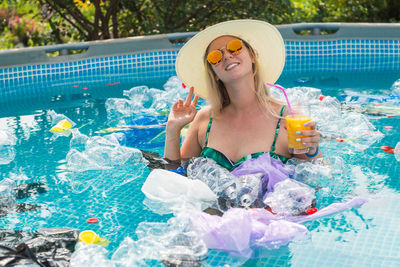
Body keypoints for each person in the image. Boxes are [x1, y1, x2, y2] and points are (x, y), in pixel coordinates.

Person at [164, 19, 321, 171]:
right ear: (215, 74)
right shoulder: (204, 119)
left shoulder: (287, 119)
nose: (226, 56)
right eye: (215, 57)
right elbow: (177, 175)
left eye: (235, 47)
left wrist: (312, 150)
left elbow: (317, 176)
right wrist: (172, 130)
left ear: (252, 56)